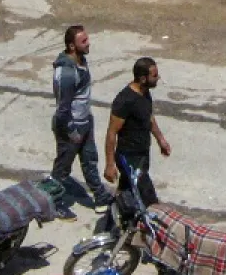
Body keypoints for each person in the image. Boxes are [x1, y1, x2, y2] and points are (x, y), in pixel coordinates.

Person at [51, 25, 113, 209]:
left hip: (85, 122)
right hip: (71, 129)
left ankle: (100, 196)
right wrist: (72, 132)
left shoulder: (81, 61)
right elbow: (63, 109)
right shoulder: (67, 74)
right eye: (83, 41)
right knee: (62, 169)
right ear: (72, 46)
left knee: (90, 160)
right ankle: (53, 203)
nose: (88, 43)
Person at [103, 57, 170, 204]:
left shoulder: (145, 93)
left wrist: (161, 140)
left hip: (142, 154)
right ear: (143, 79)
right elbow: (111, 132)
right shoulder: (125, 100)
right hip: (129, 157)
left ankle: (115, 214)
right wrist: (109, 164)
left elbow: (149, 117)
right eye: (154, 75)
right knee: (148, 199)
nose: (158, 78)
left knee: (127, 193)